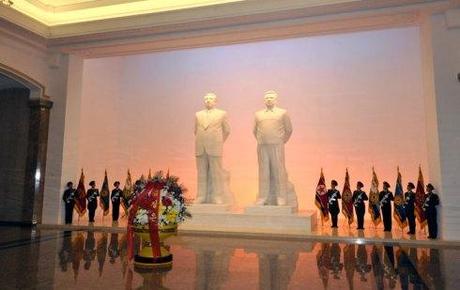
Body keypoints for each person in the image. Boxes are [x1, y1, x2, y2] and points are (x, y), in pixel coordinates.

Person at [253, 90, 297, 207]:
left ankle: (281, 197)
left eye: (271, 97)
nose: (268, 99)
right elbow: (254, 131)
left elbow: (289, 130)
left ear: (276, 99)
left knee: (279, 172)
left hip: (277, 146)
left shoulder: (282, 113)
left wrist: (281, 141)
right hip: (262, 146)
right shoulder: (258, 114)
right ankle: (263, 197)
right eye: (266, 97)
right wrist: (262, 140)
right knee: (263, 172)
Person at [194, 93, 231, 204]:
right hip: (200, 147)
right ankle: (201, 196)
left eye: (211, 99)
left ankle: (217, 196)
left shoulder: (222, 114)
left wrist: (218, 141)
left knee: (216, 172)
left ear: (215, 101)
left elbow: (227, 131)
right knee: (201, 173)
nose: (208, 101)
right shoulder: (198, 115)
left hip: (215, 146)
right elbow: (195, 130)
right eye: (206, 99)